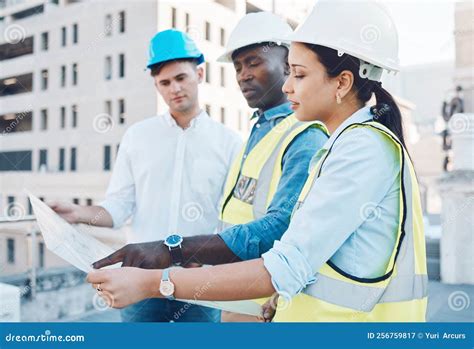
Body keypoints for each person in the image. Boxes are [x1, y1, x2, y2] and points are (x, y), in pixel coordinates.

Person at [88, 0, 428, 322]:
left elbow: (284, 262)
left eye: (298, 74)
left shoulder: (360, 150)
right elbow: (317, 253)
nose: (289, 87)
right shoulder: (343, 144)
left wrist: (157, 277)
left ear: (342, 82)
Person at [91, 12, 329, 322]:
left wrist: (177, 250)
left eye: (254, 62)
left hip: (245, 296)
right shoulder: (258, 133)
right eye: (238, 66)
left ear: (288, 63)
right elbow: (232, 216)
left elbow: (280, 228)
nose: (243, 75)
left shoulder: (299, 134)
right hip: (228, 292)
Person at [51, 29, 242, 322]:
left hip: (199, 286)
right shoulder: (137, 137)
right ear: (156, 85)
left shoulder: (229, 143)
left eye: (181, 78)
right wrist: (78, 212)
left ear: (200, 74)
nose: (174, 88)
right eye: (164, 82)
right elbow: (117, 208)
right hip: (139, 281)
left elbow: (232, 219)